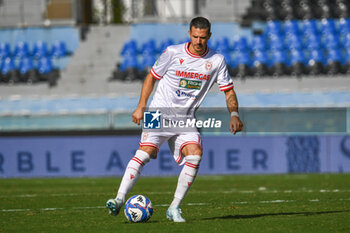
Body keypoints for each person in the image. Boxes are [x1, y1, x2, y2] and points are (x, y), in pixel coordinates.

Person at [106, 16, 244, 222]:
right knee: (146, 152)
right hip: (157, 113)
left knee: (195, 154)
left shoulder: (216, 61)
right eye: (195, 36)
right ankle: (118, 199)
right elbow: (152, 76)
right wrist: (141, 106)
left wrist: (234, 114)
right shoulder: (172, 52)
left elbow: (229, 90)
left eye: (203, 38)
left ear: (209, 36)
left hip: (186, 118)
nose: (198, 41)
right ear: (189, 34)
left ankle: (174, 208)